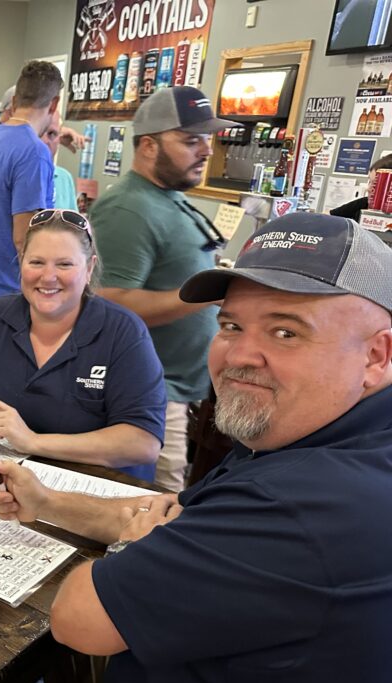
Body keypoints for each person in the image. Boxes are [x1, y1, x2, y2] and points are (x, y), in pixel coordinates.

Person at [0, 211, 392, 683]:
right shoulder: (307, 437)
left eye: (286, 332)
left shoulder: (308, 502)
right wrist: (45, 502)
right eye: (231, 326)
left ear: (376, 356)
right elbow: (171, 509)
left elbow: (77, 616)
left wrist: (131, 547)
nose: (240, 355)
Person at [0, 209, 165, 482]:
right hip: (2, 483)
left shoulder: (123, 333)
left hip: (93, 492)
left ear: (89, 268)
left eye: (65, 264)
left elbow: (143, 443)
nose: (48, 277)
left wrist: (33, 441)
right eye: (36, 262)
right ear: (21, 263)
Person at [88, 85, 238, 491]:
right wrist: (210, 292)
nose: (206, 151)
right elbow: (109, 303)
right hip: (153, 392)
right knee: (157, 500)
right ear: (149, 146)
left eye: (207, 139)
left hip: (183, 387)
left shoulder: (166, 198)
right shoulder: (128, 208)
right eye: (191, 141)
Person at [0, 61, 61, 311]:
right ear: (54, 104)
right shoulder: (34, 152)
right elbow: (25, 240)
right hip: (14, 299)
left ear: (15, 100)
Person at [330, 152, 392, 221]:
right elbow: (327, 217)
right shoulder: (363, 203)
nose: (368, 189)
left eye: (375, 184)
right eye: (370, 182)